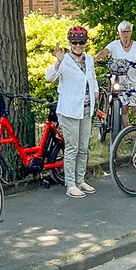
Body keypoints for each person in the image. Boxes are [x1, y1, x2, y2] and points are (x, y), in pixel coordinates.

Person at [47, 26, 100, 198]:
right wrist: (59, 62)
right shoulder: (65, 60)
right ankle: (70, 184)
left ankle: (80, 180)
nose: (78, 45)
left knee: (84, 147)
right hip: (69, 110)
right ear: (70, 43)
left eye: (82, 42)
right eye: (75, 42)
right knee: (72, 147)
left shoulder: (90, 60)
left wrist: (96, 94)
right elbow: (50, 77)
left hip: (86, 108)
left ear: (86, 43)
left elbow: (92, 79)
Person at [96, 21, 136, 123]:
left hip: (133, 81)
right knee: (123, 109)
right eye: (123, 32)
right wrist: (97, 58)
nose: (126, 34)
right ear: (119, 33)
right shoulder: (114, 44)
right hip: (118, 82)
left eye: (128, 31)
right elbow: (105, 51)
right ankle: (127, 137)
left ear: (131, 32)